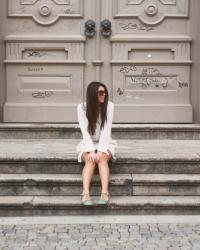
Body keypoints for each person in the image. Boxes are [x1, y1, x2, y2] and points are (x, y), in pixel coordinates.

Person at [76, 81, 117, 206]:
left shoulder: (109, 106)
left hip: (105, 142)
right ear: (93, 94)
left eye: (105, 92)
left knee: (102, 158)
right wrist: (90, 149)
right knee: (90, 159)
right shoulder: (81, 108)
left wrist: (100, 149)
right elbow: (84, 130)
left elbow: (106, 130)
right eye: (100, 92)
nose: (103, 95)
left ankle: (105, 192)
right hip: (87, 142)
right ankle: (85, 193)